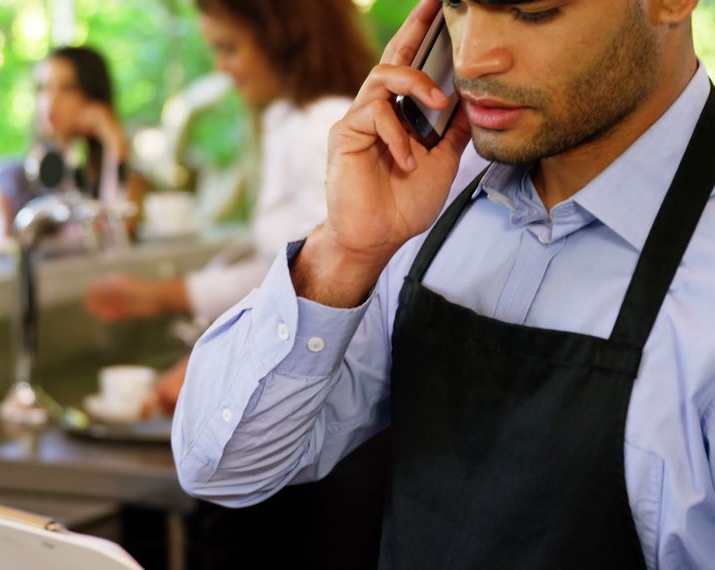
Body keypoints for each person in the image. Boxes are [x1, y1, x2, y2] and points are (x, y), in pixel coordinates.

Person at [175, 0, 715, 566]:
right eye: (456, 5)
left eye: (533, 12)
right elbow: (223, 467)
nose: (474, 58)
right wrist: (344, 251)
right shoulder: (430, 195)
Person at [85, 0, 377, 416]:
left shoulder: (324, 128)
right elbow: (285, 272)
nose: (221, 67)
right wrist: (160, 295)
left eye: (229, 48)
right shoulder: (290, 121)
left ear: (281, 40)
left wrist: (220, 365)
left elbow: (334, 285)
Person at [0, 45, 144, 238]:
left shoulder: (123, 176)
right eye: (42, 88)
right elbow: (4, 257)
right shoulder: (9, 178)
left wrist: (114, 142)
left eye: (67, 88)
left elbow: (117, 235)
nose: (51, 101)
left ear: (93, 97)